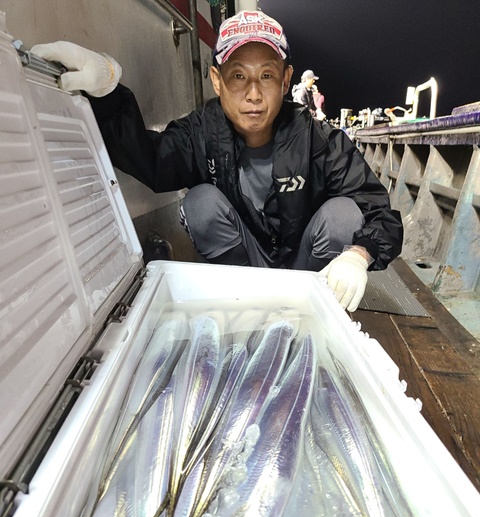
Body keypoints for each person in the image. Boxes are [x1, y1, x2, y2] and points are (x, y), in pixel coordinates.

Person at [31, 10, 403, 313]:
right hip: (243, 272)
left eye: (267, 75)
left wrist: (359, 255)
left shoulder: (319, 139)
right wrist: (107, 91)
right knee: (200, 202)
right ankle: (241, 306)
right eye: (238, 75)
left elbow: (380, 213)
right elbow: (153, 161)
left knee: (344, 215)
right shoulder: (203, 131)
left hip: (306, 271)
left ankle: (318, 310)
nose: (253, 94)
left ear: (285, 80)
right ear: (217, 80)